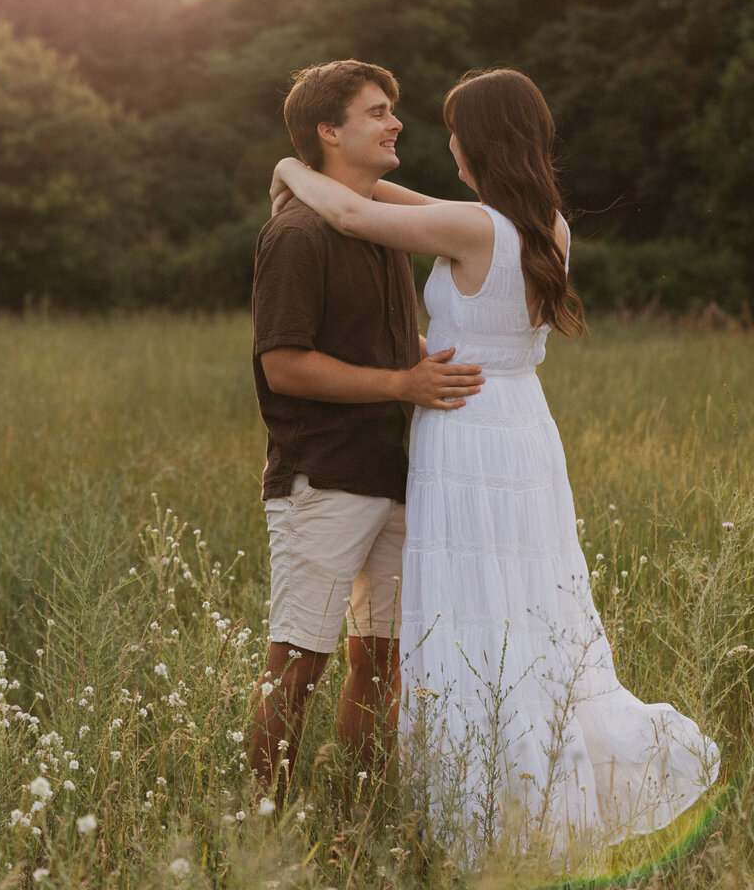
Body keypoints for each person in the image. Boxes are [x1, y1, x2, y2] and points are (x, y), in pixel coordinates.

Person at [269, 67, 720, 860]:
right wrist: (327, 175)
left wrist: (287, 168)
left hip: (467, 431)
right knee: (521, 611)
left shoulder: (475, 230)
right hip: (522, 431)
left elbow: (349, 209)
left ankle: (490, 810)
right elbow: (393, 204)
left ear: (477, 143)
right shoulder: (542, 224)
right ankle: (535, 780)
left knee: (472, 616)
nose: (438, 141)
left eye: (450, 130)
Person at [249, 59, 484, 788]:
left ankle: (360, 809)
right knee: (298, 665)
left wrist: (422, 364)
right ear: (329, 131)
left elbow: (381, 335)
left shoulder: (379, 226)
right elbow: (283, 365)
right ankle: (263, 823)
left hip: (393, 473)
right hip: (322, 476)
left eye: (392, 110)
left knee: (380, 660)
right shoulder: (296, 235)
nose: (394, 123)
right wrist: (401, 383)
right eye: (376, 112)